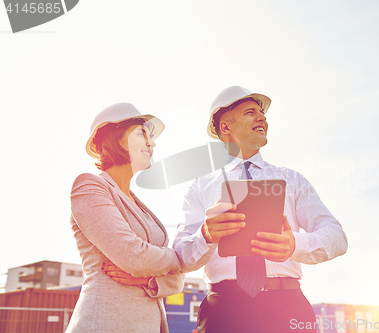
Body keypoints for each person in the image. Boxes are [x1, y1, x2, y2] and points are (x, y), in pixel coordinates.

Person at [173, 86, 348, 333]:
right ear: (226, 128)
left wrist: (294, 244)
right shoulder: (200, 188)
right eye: (250, 112)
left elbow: (337, 237)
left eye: (262, 113)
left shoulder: (293, 180)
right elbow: (180, 256)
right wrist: (206, 235)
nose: (262, 117)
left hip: (288, 309)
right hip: (223, 313)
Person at [67, 103, 184, 333]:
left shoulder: (138, 204)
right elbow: (133, 256)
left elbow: (178, 281)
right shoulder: (89, 186)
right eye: (142, 133)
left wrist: (148, 280)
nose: (152, 143)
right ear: (114, 137)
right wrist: (178, 259)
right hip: (104, 324)